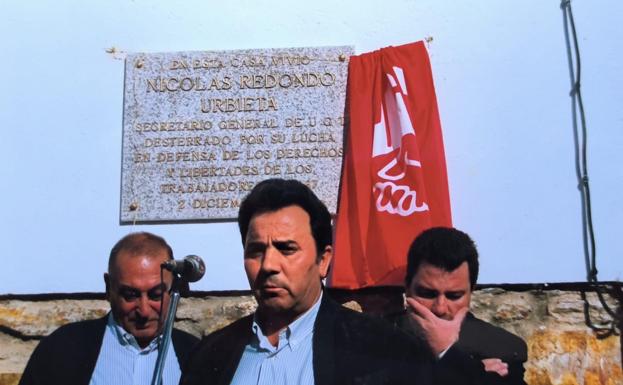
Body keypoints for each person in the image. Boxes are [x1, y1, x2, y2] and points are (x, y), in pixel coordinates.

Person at [180, 178, 437, 385]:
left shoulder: (383, 351)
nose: (269, 265)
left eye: (287, 249)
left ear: (323, 260)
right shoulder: (210, 355)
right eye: (256, 250)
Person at [19, 232, 199, 385]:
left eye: (155, 295)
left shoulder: (196, 355)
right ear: (108, 287)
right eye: (130, 295)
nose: (144, 311)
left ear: (175, 287)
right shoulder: (62, 349)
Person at [397, 227, 527, 385]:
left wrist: (447, 352)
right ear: (407, 287)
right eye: (427, 294)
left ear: (471, 291)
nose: (440, 308)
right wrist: (470, 373)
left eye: (454, 296)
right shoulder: (373, 340)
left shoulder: (501, 348)